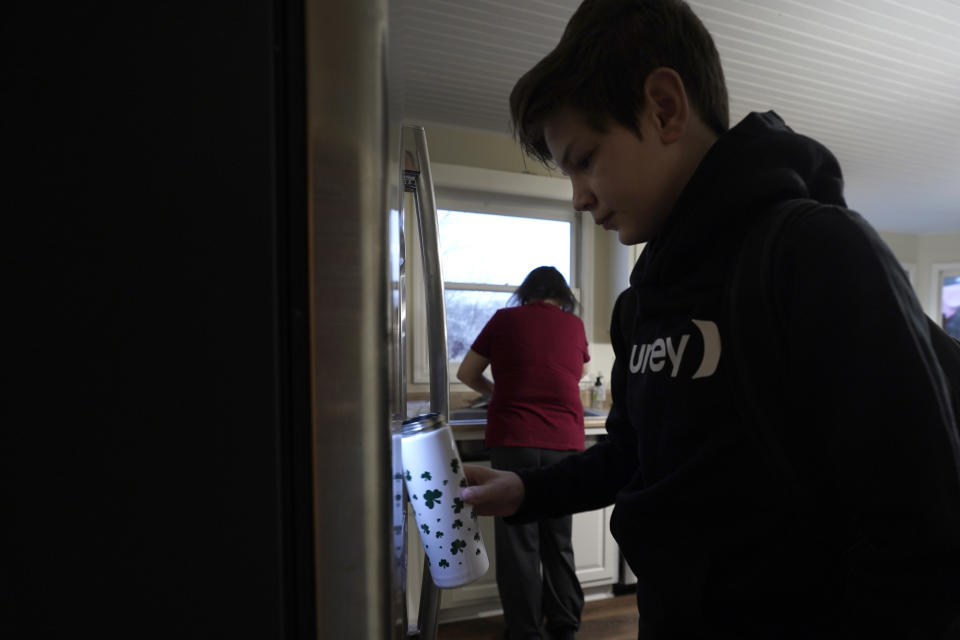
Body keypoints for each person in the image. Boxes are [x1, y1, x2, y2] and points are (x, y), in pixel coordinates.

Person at [460, 1, 960, 638]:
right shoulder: (642, 301)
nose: (579, 196)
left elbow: (923, 527)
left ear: (664, 107)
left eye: (585, 159)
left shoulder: (814, 252)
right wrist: (526, 492)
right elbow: (631, 456)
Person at [457, 266, 590, 640]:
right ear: (563, 296)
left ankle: (525, 632)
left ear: (526, 293)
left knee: (520, 545)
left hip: (515, 437)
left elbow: (467, 372)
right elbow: (571, 375)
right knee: (558, 541)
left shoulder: (504, 319)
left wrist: (497, 393)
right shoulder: (574, 326)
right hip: (564, 441)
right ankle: (564, 626)